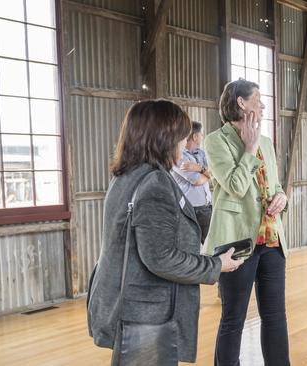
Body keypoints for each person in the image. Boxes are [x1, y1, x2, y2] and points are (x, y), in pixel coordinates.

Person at [87, 99, 243, 365]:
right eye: (182, 138)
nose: (185, 145)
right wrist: (216, 265)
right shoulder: (154, 183)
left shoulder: (127, 174)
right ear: (164, 138)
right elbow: (161, 258)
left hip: (129, 305)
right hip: (145, 313)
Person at [204, 79, 290, 366]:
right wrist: (250, 148)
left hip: (272, 240)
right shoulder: (216, 141)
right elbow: (235, 186)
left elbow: (275, 186)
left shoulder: (267, 141)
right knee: (234, 317)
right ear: (241, 103)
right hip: (236, 243)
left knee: (276, 316)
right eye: (258, 100)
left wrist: (282, 198)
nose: (263, 106)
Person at [171, 121, 212, 244]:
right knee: (191, 246)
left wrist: (199, 169)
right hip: (191, 209)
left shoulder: (201, 153)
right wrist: (208, 174)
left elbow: (215, 173)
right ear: (195, 136)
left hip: (206, 207)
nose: (202, 136)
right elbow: (197, 180)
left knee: (210, 246)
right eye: (201, 134)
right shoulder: (178, 156)